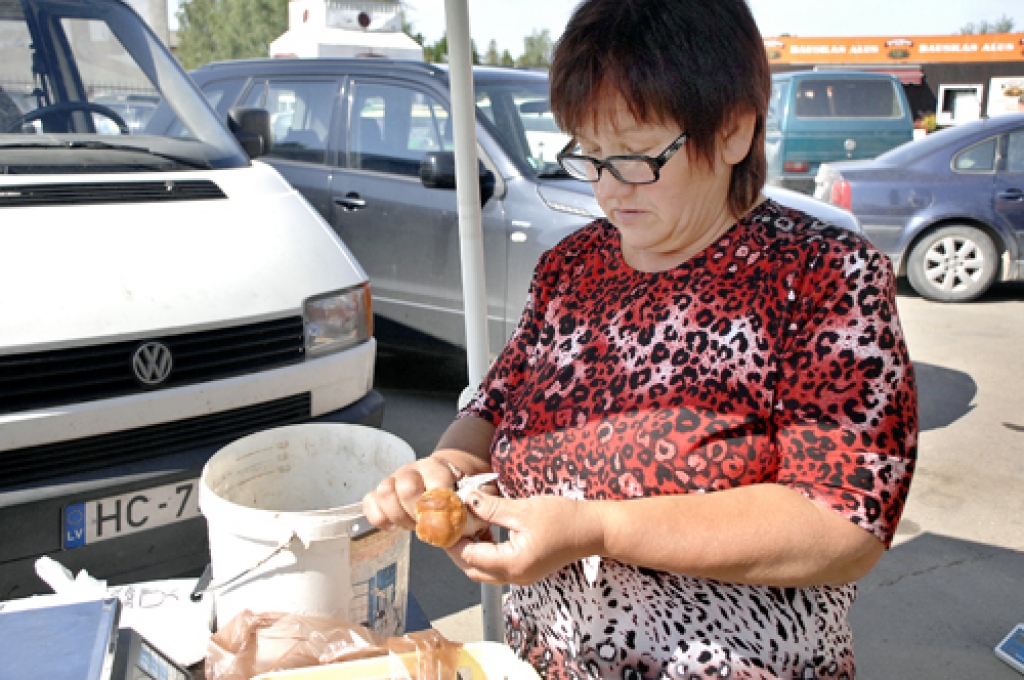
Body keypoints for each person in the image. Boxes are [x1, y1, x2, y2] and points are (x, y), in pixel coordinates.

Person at [362, 0, 918, 677]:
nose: (607, 189)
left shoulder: (824, 276)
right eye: (589, 155)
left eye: (634, 156)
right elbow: (495, 403)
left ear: (735, 129)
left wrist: (598, 530)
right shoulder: (571, 266)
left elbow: (841, 524)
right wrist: (447, 467)